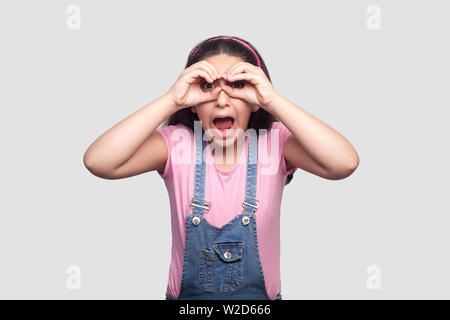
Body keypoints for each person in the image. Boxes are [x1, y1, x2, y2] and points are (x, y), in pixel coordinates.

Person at [83, 35, 360, 300]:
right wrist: (171, 100)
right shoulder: (177, 145)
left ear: (254, 103)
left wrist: (272, 100)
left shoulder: (274, 144)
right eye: (207, 86)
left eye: (238, 86)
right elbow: (99, 161)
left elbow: (344, 163)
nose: (222, 100)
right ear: (193, 105)